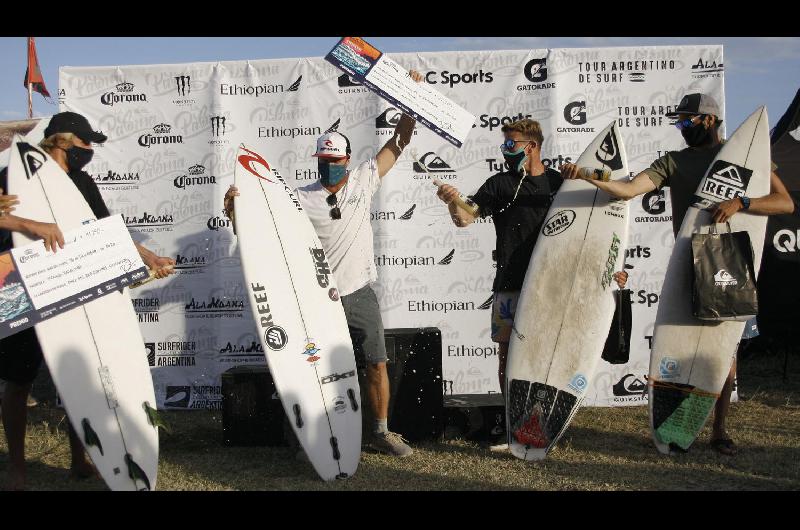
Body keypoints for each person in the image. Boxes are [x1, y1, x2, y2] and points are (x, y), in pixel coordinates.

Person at [560, 93, 795, 456]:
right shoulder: (674, 161)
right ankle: (679, 427)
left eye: (687, 121)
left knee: (724, 352)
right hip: (688, 261)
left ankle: (718, 431)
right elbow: (628, 189)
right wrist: (587, 175)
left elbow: (785, 203)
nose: (681, 128)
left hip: (731, 263)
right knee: (682, 346)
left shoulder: (744, 156)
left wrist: (742, 202)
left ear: (708, 121)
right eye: (679, 122)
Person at [225, 70, 424, 458]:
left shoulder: (365, 179)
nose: (328, 165)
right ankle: (315, 437)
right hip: (316, 299)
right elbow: (259, 231)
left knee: (377, 363)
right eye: (323, 159)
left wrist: (412, 102)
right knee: (315, 369)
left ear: (347, 159)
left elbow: (398, 144)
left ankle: (382, 432)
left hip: (359, 292)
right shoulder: (299, 197)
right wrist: (234, 209)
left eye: (335, 159)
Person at [0, 111, 176, 490]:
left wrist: (150, 258)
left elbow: (106, 230)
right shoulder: (15, 175)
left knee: (75, 377)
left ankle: (81, 459)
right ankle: (17, 467)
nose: (90, 149)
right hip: (22, 289)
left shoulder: (82, 182)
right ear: (64, 141)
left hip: (72, 287)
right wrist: (32, 226)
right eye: (85, 143)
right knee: (18, 383)